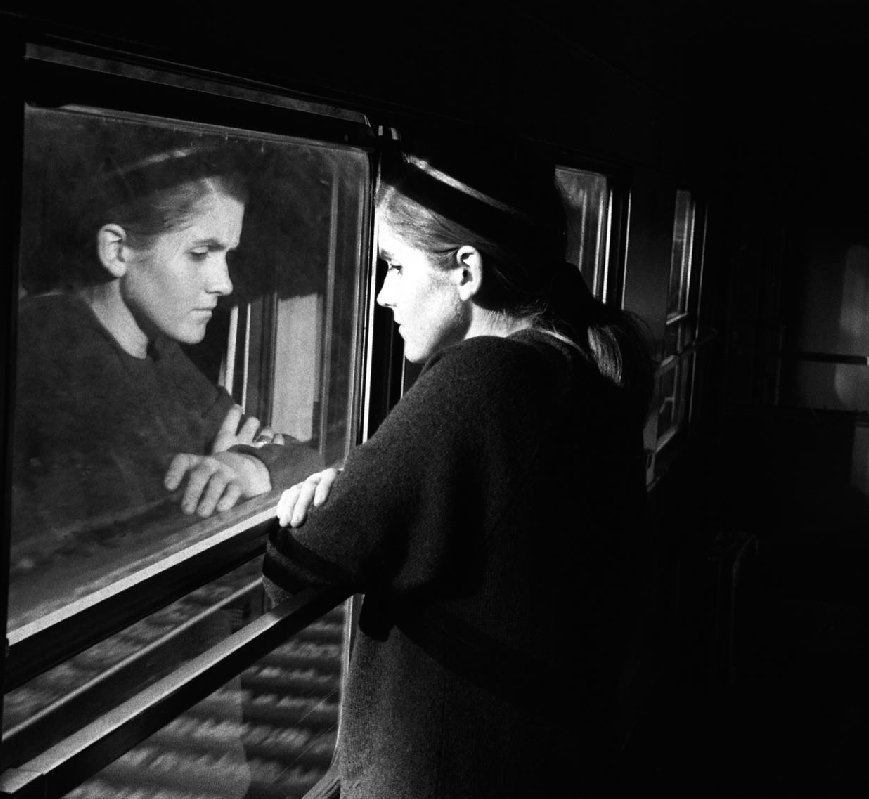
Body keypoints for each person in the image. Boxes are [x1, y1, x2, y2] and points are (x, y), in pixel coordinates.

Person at [262, 133, 655, 798]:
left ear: (465, 271)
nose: (382, 297)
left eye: (394, 267)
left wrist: (317, 502)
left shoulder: (482, 381)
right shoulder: (571, 368)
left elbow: (295, 570)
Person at [12, 138, 289, 548]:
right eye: (200, 252)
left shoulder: (155, 349)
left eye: (226, 255)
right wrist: (218, 470)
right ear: (118, 250)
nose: (224, 283)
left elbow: (293, 452)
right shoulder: (49, 348)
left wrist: (246, 464)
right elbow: (127, 523)